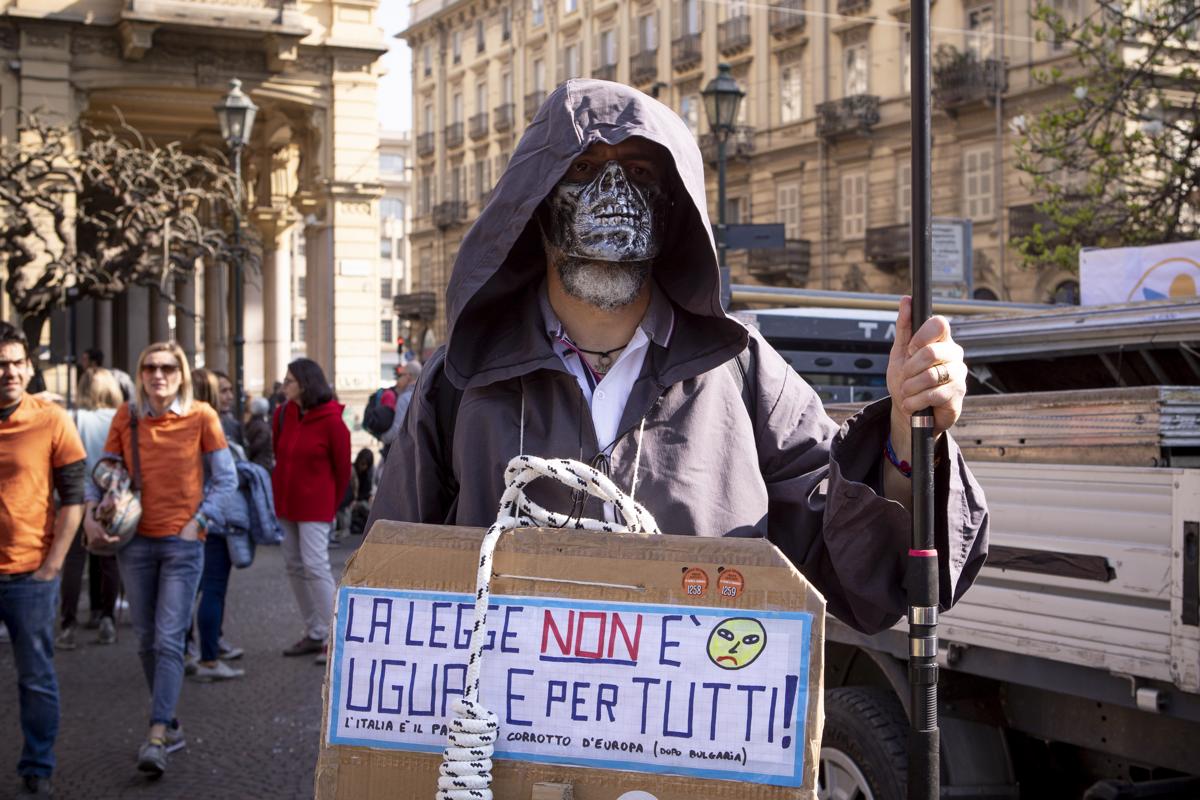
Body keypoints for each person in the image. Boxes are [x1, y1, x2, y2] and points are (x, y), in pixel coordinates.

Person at [368, 80, 989, 636]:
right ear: (535, 200)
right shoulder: (460, 384)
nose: (611, 195)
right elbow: (387, 586)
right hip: (510, 750)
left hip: (692, 747)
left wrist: (909, 442)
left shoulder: (745, 376)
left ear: (675, 207)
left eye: (638, 174)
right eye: (583, 169)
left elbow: (862, 576)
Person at [84, 343, 237, 777]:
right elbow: (103, 473)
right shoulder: (127, 416)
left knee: (170, 639)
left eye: (167, 367)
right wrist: (92, 516)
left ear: (182, 373)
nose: (158, 374)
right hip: (134, 542)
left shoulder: (202, 416)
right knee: (147, 640)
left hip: (183, 544)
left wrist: (200, 521)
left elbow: (226, 479)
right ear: (140, 373)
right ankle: (169, 722)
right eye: (149, 367)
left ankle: (155, 734)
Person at [0, 321, 86, 797]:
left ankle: (37, 765)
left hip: (30, 572)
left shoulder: (51, 419)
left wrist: (53, 565)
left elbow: (74, 495)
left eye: (16, 362)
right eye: (1, 364)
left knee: (35, 678)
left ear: (29, 367)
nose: (8, 371)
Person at [272, 359, 350, 662]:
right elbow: (279, 453)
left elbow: (343, 470)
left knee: (316, 567)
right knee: (293, 565)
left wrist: (331, 505)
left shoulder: (332, 421)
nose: (284, 385)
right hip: (287, 504)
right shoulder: (282, 414)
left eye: (289, 380)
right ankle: (315, 630)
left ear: (305, 384)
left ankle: (336, 636)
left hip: (316, 506)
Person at [58, 367, 124, 650]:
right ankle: (106, 618)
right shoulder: (120, 419)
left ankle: (68, 625)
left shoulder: (73, 418)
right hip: (109, 496)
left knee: (72, 561)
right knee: (107, 560)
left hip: (74, 497)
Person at [187, 369, 246, 683]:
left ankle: (189, 650)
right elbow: (226, 478)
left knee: (190, 592)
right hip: (213, 518)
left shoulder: (182, 423)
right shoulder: (213, 425)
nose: (229, 396)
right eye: (222, 390)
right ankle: (208, 658)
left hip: (189, 517)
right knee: (212, 589)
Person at [244, 397, 274, 471]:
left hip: (255, 464)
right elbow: (256, 446)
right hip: (261, 465)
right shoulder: (263, 426)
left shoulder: (250, 424)